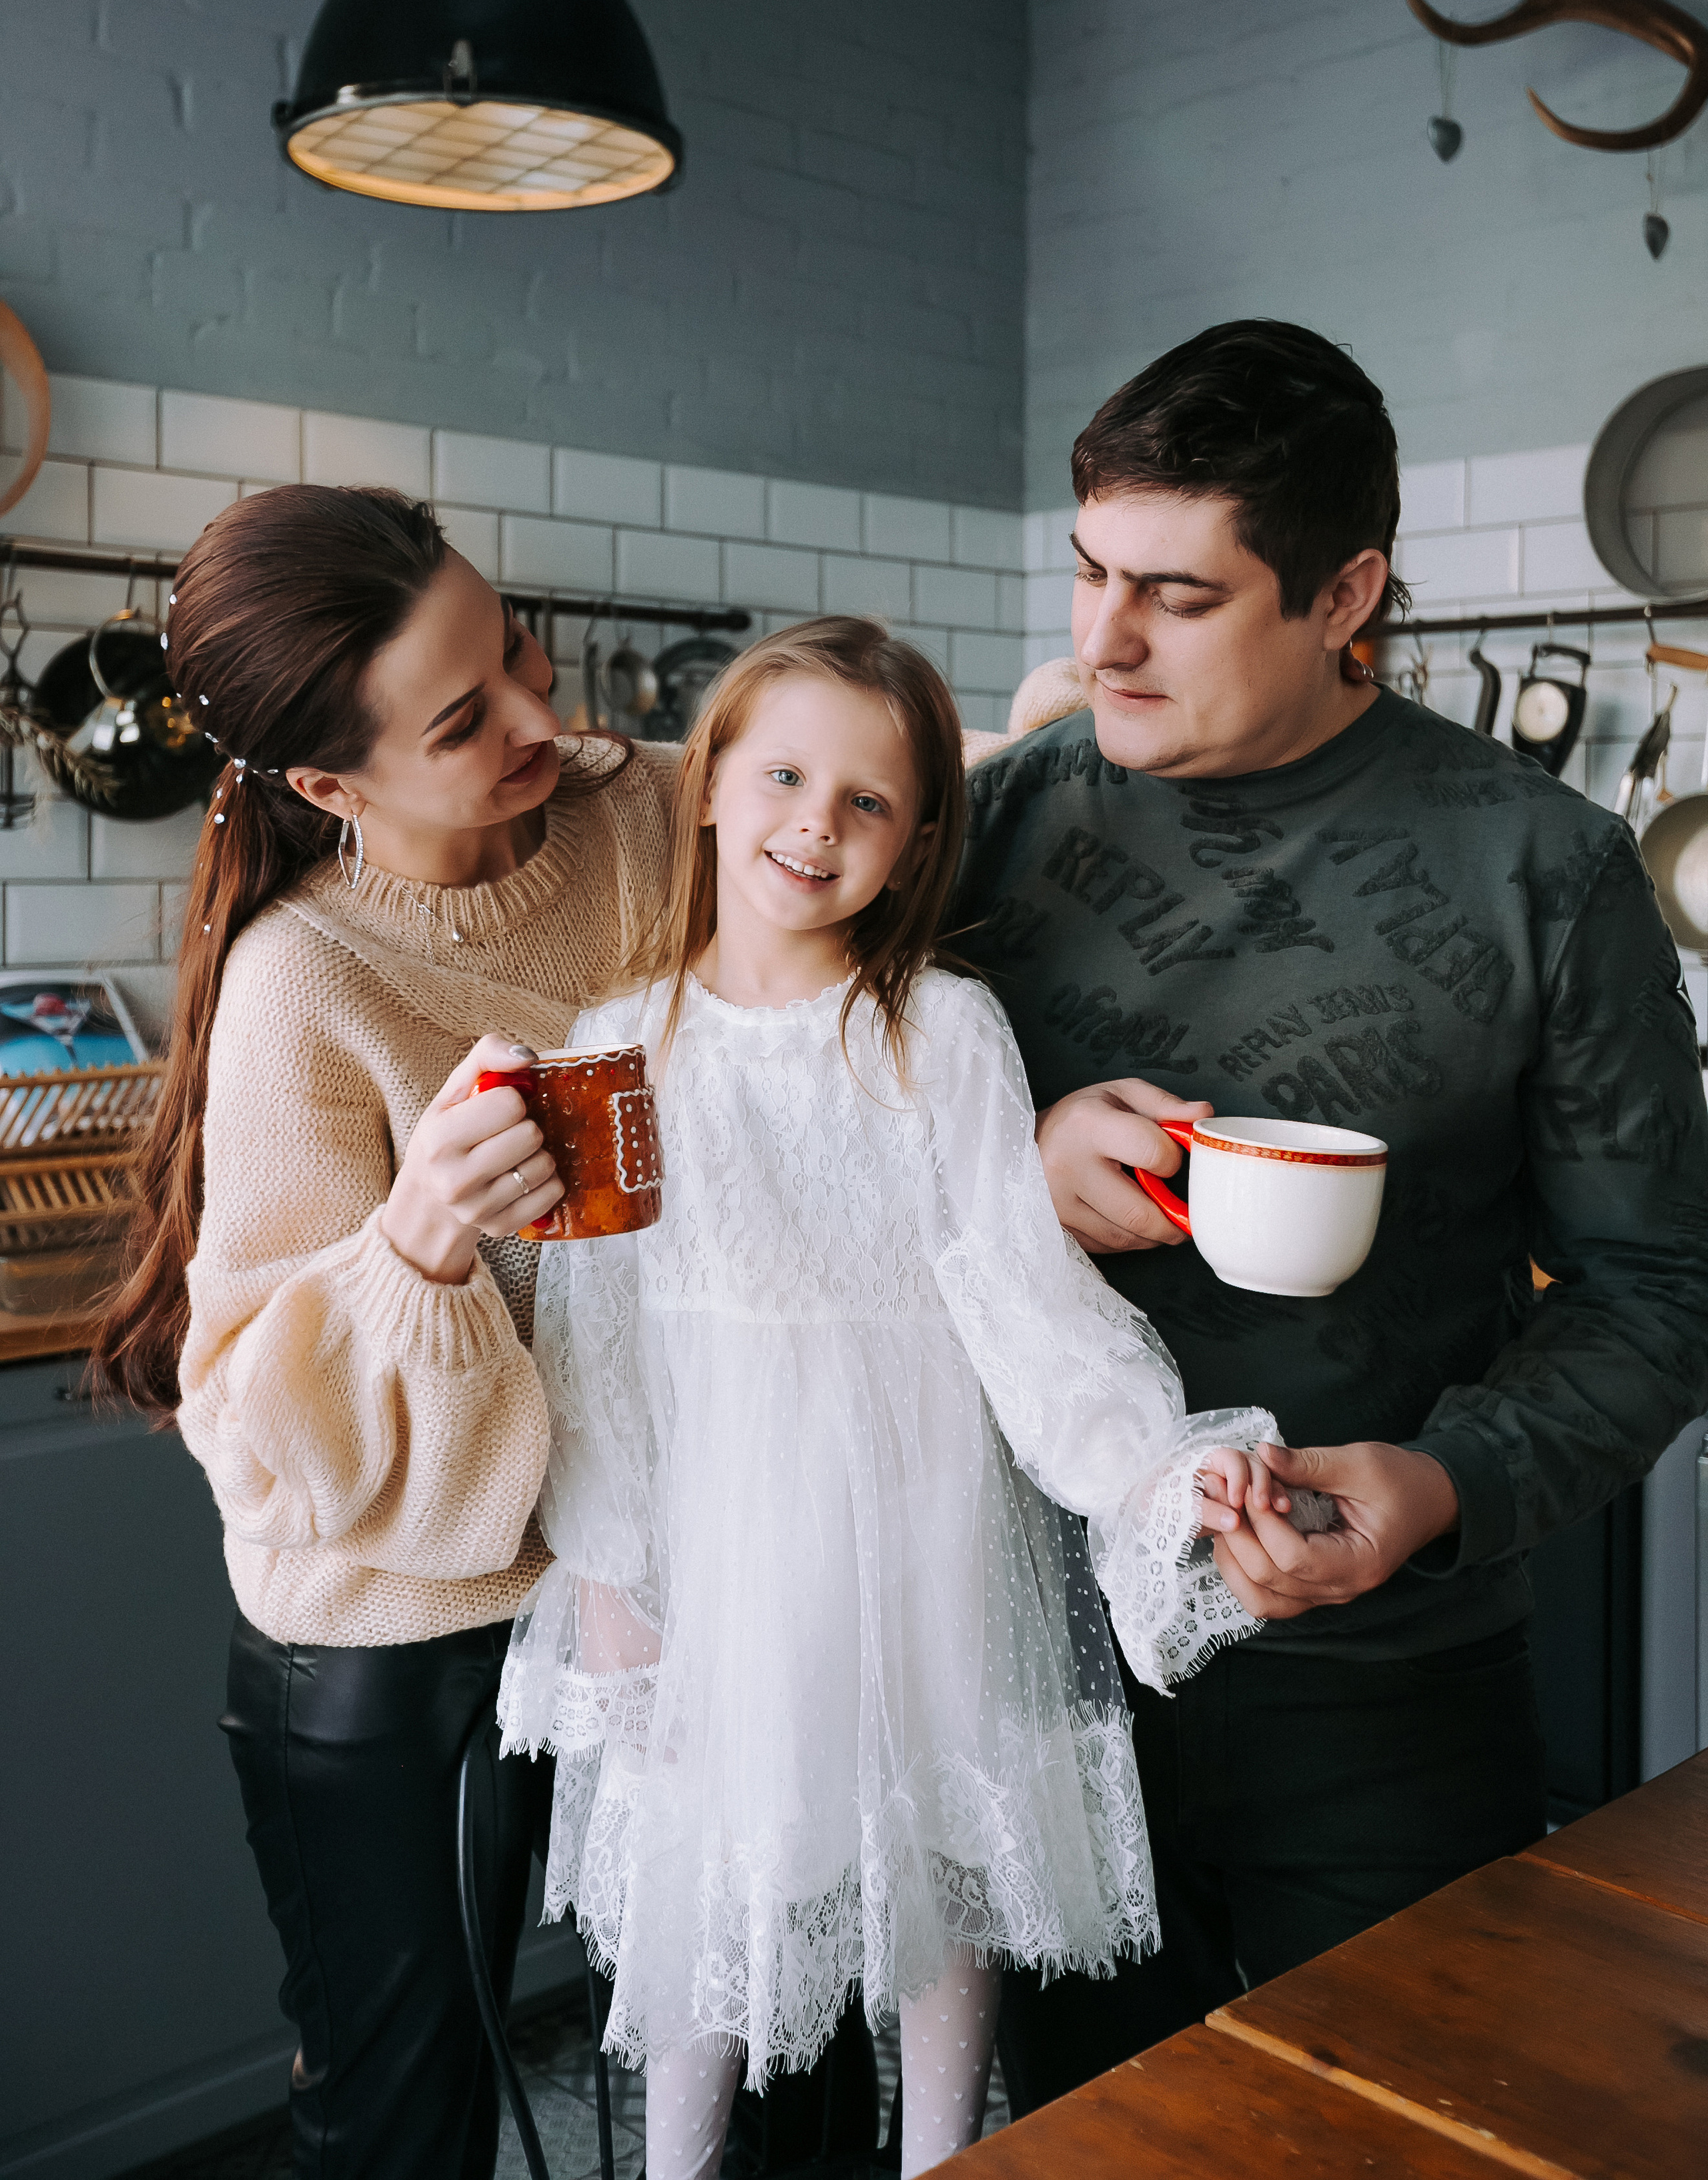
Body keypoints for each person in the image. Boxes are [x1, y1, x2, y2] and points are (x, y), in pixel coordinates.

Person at [955, 319, 1708, 2110]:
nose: (1101, 641)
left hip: (1385, 1683)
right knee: (1089, 2145)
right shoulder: (988, 828)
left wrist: (1441, 1484)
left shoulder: (1546, 870)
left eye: (1177, 594)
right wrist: (1009, 1171)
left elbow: (1661, 1294)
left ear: (1342, 588)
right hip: (1037, 1667)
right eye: (1088, 574)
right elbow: (794, 1157)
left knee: (1397, 2142)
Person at [492, 616, 1274, 2180]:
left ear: (918, 837)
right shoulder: (611, 1045)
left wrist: (1143, 1476)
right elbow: (594, 1345)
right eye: (783, 775)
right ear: (708, 783)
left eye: (867, 803)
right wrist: (606, 1569)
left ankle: (938, 2155)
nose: (815, 825)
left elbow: (1019, 1296)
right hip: (718, 1536)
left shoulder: (940, 1031)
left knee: (942, 1864)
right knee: (713, 1872)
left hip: (924, 1526)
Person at [90, 483, 675, 2180]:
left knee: (724, 2020)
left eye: (515, 648)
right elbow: (252, 1430)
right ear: (333, 786)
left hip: (628, 1568)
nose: (541, 719)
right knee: (401, 2116)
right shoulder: (302, 985)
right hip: (391, 1636)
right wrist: (414, 1241)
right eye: (465, 718)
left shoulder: (639, 816)